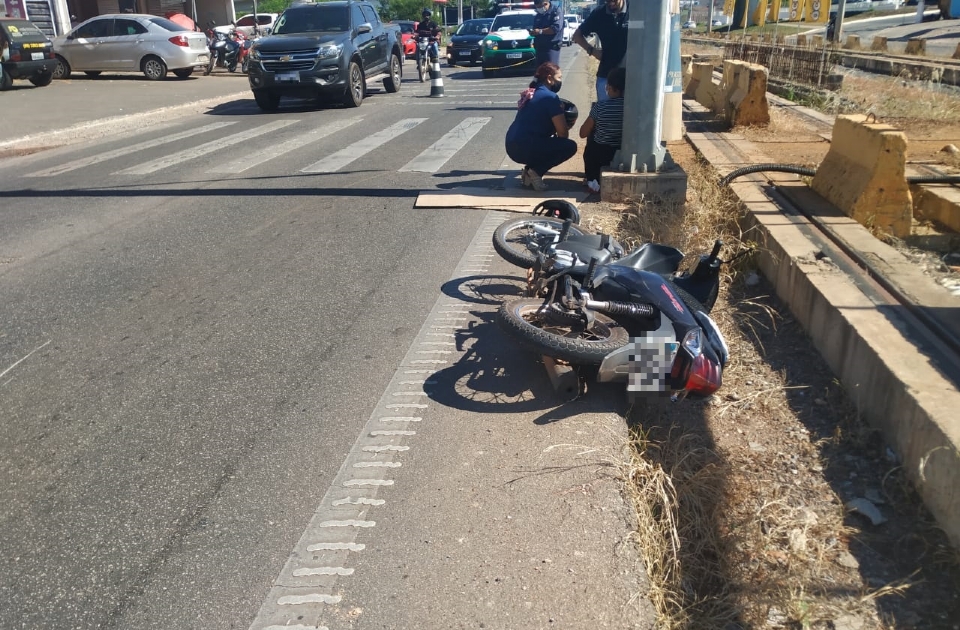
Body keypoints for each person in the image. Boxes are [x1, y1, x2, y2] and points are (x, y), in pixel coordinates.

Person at [505, 62, 577, 192]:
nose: (560, 81)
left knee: (542, 143)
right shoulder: (550, 98)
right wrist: (567, 125)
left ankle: (528, 173)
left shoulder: (532, 93)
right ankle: (536, 172)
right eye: (559, 78)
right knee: (569, 146)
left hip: (511, 146)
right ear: (549, 78)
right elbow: (562, 134)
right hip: (525, 146)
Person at [578, 66, 625, 192]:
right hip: (623, 152)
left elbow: (583, 133)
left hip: (601, 154)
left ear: (609, 87)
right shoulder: (630, 108)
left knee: (591, 137)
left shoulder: (600, 106)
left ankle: (591, 178)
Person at [572, 0, 628, 101]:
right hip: (607, 74)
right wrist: (592, 51)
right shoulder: (599, 13)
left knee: (630, 114)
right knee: (605, 112)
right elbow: (577, 36)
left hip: (631, 75)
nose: (610, 3)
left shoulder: (635, 10)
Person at [530, 0, 563, 69]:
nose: (538, 9)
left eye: (539, 7)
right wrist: (533, 32)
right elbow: (535, 27)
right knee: (540, 73)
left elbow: (556, 28)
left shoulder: (556, 11)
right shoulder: (539, 14)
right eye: (537, 8)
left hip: (551, 48)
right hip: (540, 48)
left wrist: (540, 31)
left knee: (551, 71)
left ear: (545, 4)